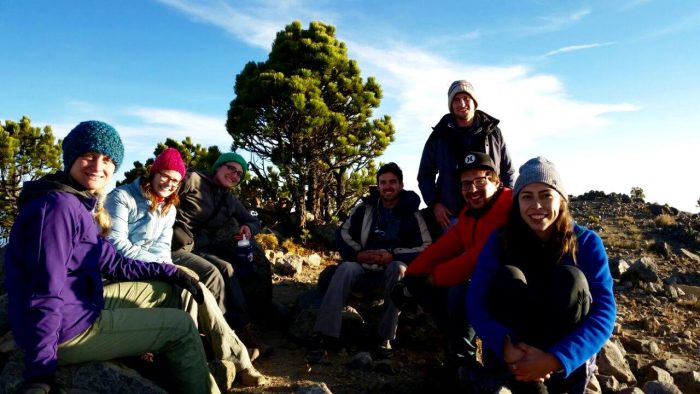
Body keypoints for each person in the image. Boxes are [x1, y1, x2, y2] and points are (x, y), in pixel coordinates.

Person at [4, 121, 219, 394]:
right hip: (68, 330)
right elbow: (43, 292)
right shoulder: (58, 209)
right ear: (71, 158)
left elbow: (114, 262)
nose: (97, 167)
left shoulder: (79, 202)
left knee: (168, 290)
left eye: (106, 160)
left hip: (82, 303)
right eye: (88, 156)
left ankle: (171, 366)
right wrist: (40, 374)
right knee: (182, 327)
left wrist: (170, 272)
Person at [105, 147, 266, 386]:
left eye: (239, 173)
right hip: (146, 261)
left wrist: (168, 269)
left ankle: (233, 354)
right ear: (154, 172)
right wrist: (166, 268)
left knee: (197, 285)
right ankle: (203, 346)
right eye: (229, 167)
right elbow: (117, 245)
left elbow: (159, 248)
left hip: (174, 255)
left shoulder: (168, 207)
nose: (170, 184)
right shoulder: (125, 197)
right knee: (207, 274)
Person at [467, 157, 616, 393]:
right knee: (508, 276)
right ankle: (519, 379)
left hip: (559, 359)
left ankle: (553, 382)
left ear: (561, 199)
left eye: (546, 195)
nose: (537, 206)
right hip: (513, 352)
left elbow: (605, 311)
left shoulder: (586, 243)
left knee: (571, 280)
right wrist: (506, 346)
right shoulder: (500, 240)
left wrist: (554, 359)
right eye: (527, 197)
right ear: (517, 203)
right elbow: (475, 298)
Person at [394, 152, 512, 374]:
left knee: (457, 290)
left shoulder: (509, 207)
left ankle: (474, 365)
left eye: (480, 181)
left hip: (512, 290)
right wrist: (411, 276)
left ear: (496, 182)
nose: (472, 190)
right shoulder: (469, 215)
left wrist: (431, 278)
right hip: (486, 283)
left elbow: (480, 257)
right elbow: (443, 247)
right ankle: (459, 360)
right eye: (466, 184)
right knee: (437, 292)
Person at [307, 163, 432, 363]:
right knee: (346, 268)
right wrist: (358, 254)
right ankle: (324, 335)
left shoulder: (412, 214)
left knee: (398, 269)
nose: (387, 186)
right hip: (362, 269)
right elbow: (342, 234)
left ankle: (385, 338)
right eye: (383, 182)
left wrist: (394, 254)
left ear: (401, 185)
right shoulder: (364, 208)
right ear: (378, 185)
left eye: (392, 182)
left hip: (389, 273)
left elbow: (425, 247)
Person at [171, 151, 270, 348]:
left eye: (239, 174)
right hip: (173, 244)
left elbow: (252, 220)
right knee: (214, 273)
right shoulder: (193, 179)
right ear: (218, 167)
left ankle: (240, 327)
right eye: (230, 168)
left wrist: (248, 228)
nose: (234, 175)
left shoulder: (229, 199)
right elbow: (165, 192)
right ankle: (221, 332)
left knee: (228, 268)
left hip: (197, 247)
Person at [418, 79, 515, 234]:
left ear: (474, 102)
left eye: (466, 98)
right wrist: (435, 204)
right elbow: (425, 175)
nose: (462, 104)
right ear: (450, 105)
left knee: (489, 257)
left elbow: (508, 170)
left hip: (491, 214)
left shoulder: (493, 132)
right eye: (456, 100)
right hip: (451, 217)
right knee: (454, 257)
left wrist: (506, 200)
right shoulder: (438, 135)